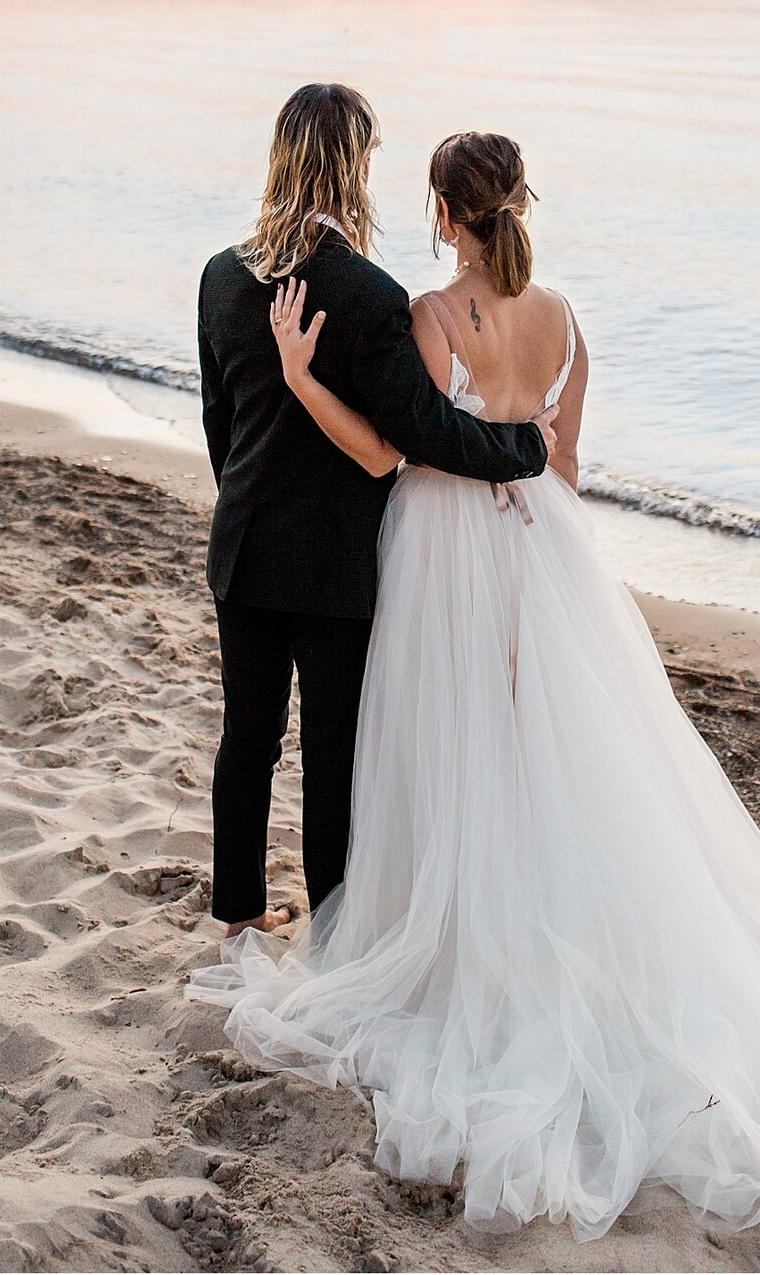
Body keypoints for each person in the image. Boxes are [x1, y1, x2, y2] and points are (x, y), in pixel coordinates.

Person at [189, 130, 760, 1243]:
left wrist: (318, 383)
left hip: (444, 552)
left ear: (443, 212)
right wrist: (522, 507)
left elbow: (410, 449)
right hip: (543, 554)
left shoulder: (421, 312)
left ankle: (391, 925)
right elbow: (561, 464)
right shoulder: (564, 319)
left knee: (435, 747)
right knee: (542, 748)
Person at [193, 84, 550, 937]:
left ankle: (237, 917)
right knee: (332, 754)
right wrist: (524, 451)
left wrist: (247, 497)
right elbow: (423, 432)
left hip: (242, 545)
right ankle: (332, 927)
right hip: (335, 560)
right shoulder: (369, 293)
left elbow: (219, 423)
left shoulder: (220, 275)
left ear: (281, 155)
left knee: (246, 738)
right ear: (353, 165)